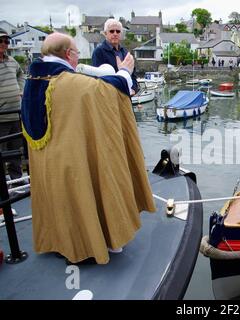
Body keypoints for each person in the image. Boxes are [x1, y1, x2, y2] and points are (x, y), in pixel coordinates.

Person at [21, 33, 156, 264]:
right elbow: (107, 90)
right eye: (75, 53)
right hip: (72, 157)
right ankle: (89, 245)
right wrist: (124, 71)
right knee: (82, 193)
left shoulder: (32, 79)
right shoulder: (69, 83)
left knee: (55, 196)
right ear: (68, 54)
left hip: (46, 160)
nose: (76, 59)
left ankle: (58, 242)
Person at [0, 28, 26, 189]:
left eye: (6, 41)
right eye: (0, 41)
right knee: (1, 153)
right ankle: (3, 187)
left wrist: (20, 89)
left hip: (15, 114)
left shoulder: (11, 61)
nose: (4, 44)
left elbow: (21, 74)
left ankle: (17, 181)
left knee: (16, 150)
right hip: (1, 117)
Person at [92, 18, 138, 94]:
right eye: (112, 31)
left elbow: (133, 75)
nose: (115, 34)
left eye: (118, 31)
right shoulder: (99, 52)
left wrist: (133, 89)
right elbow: (97, 78)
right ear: (105, 33)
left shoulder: (125, 52)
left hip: (126, 96)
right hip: (109, 96)